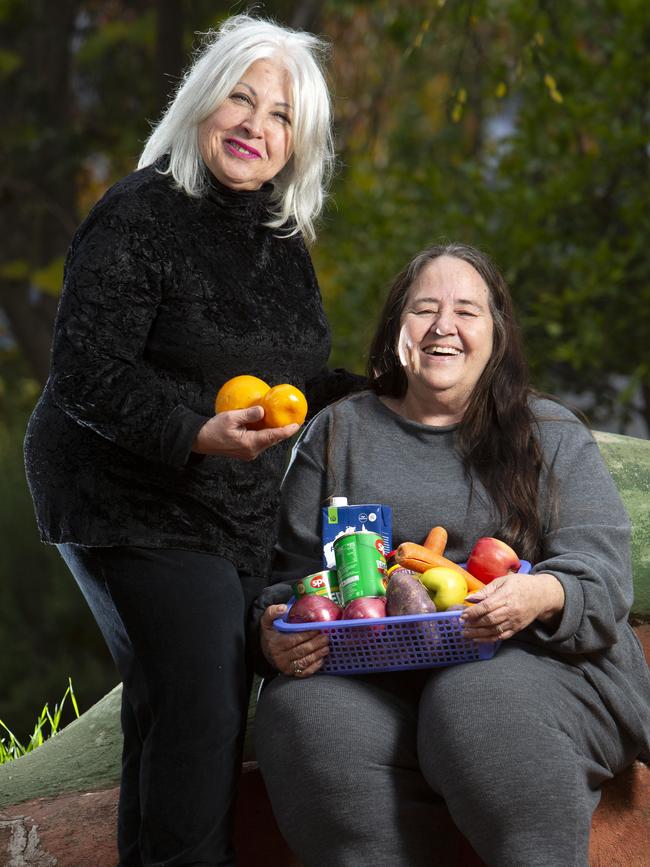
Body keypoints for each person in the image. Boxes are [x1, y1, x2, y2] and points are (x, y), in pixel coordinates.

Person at [24, 14, 363, 867]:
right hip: (122, 487)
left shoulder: (281, 238)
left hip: (228, 505)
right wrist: (195, 432)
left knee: (170, 706)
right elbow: (86, 372)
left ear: (299, 142)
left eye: (280, 115)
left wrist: (384, 386)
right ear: (202, 104)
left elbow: (292, 382)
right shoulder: (140, 211)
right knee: (207, 694)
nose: (256, 124)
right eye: (240, 100)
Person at [249, 243, 650, 867]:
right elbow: (288, 581)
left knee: (471, 702)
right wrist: (275, 631)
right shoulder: (337, 432)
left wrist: (538, 594)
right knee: (302, 714)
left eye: (467, 311)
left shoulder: (550, 433)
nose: (444, 327)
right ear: (395, 328)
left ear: (497, 335)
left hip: (539, 664)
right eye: (424, 308)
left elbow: (601, 578)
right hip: (371, 675)